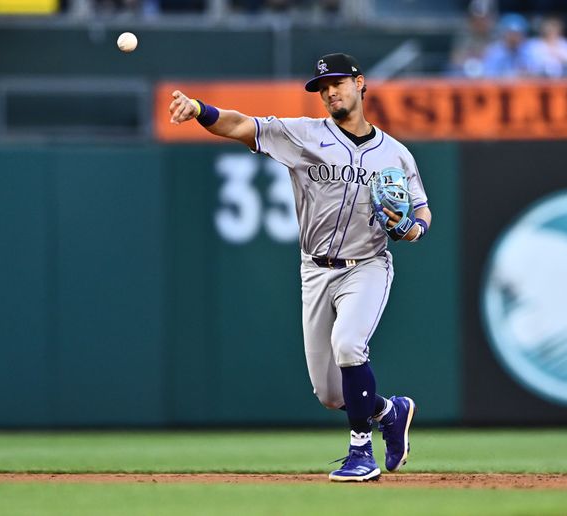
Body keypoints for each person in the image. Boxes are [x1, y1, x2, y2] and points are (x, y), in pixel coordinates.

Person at [168, 53, 431, 482]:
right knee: (329, 394)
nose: (330, 91)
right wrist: (200, 109)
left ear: (361, 83)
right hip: (315, 270)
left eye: (338, 83)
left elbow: (421, 210)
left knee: (349, 346)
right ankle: (389, 410)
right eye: (323, 87)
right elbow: (239, 125)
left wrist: (413, 230)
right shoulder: (304, 135)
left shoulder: (396, 154)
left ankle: (360, 453)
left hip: (367, 265)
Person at [482, 13, 533, 77]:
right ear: (503, 34)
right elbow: (487, 74)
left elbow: (539, 72)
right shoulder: (494, 51)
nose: (514, 38)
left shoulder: (531, 50)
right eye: (510, 34)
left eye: (517, 34)